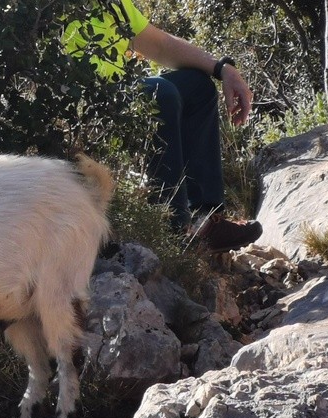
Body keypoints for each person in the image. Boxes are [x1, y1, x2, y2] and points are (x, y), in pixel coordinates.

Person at [64, 0, 263, 252]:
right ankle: (173, 229)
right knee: (161, 93)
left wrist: (222, 69)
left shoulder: (111, 4)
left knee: (198, 86)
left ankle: (206, 219)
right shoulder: (48, 11)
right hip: (84, 105)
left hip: (123, 93)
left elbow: (160, 44)